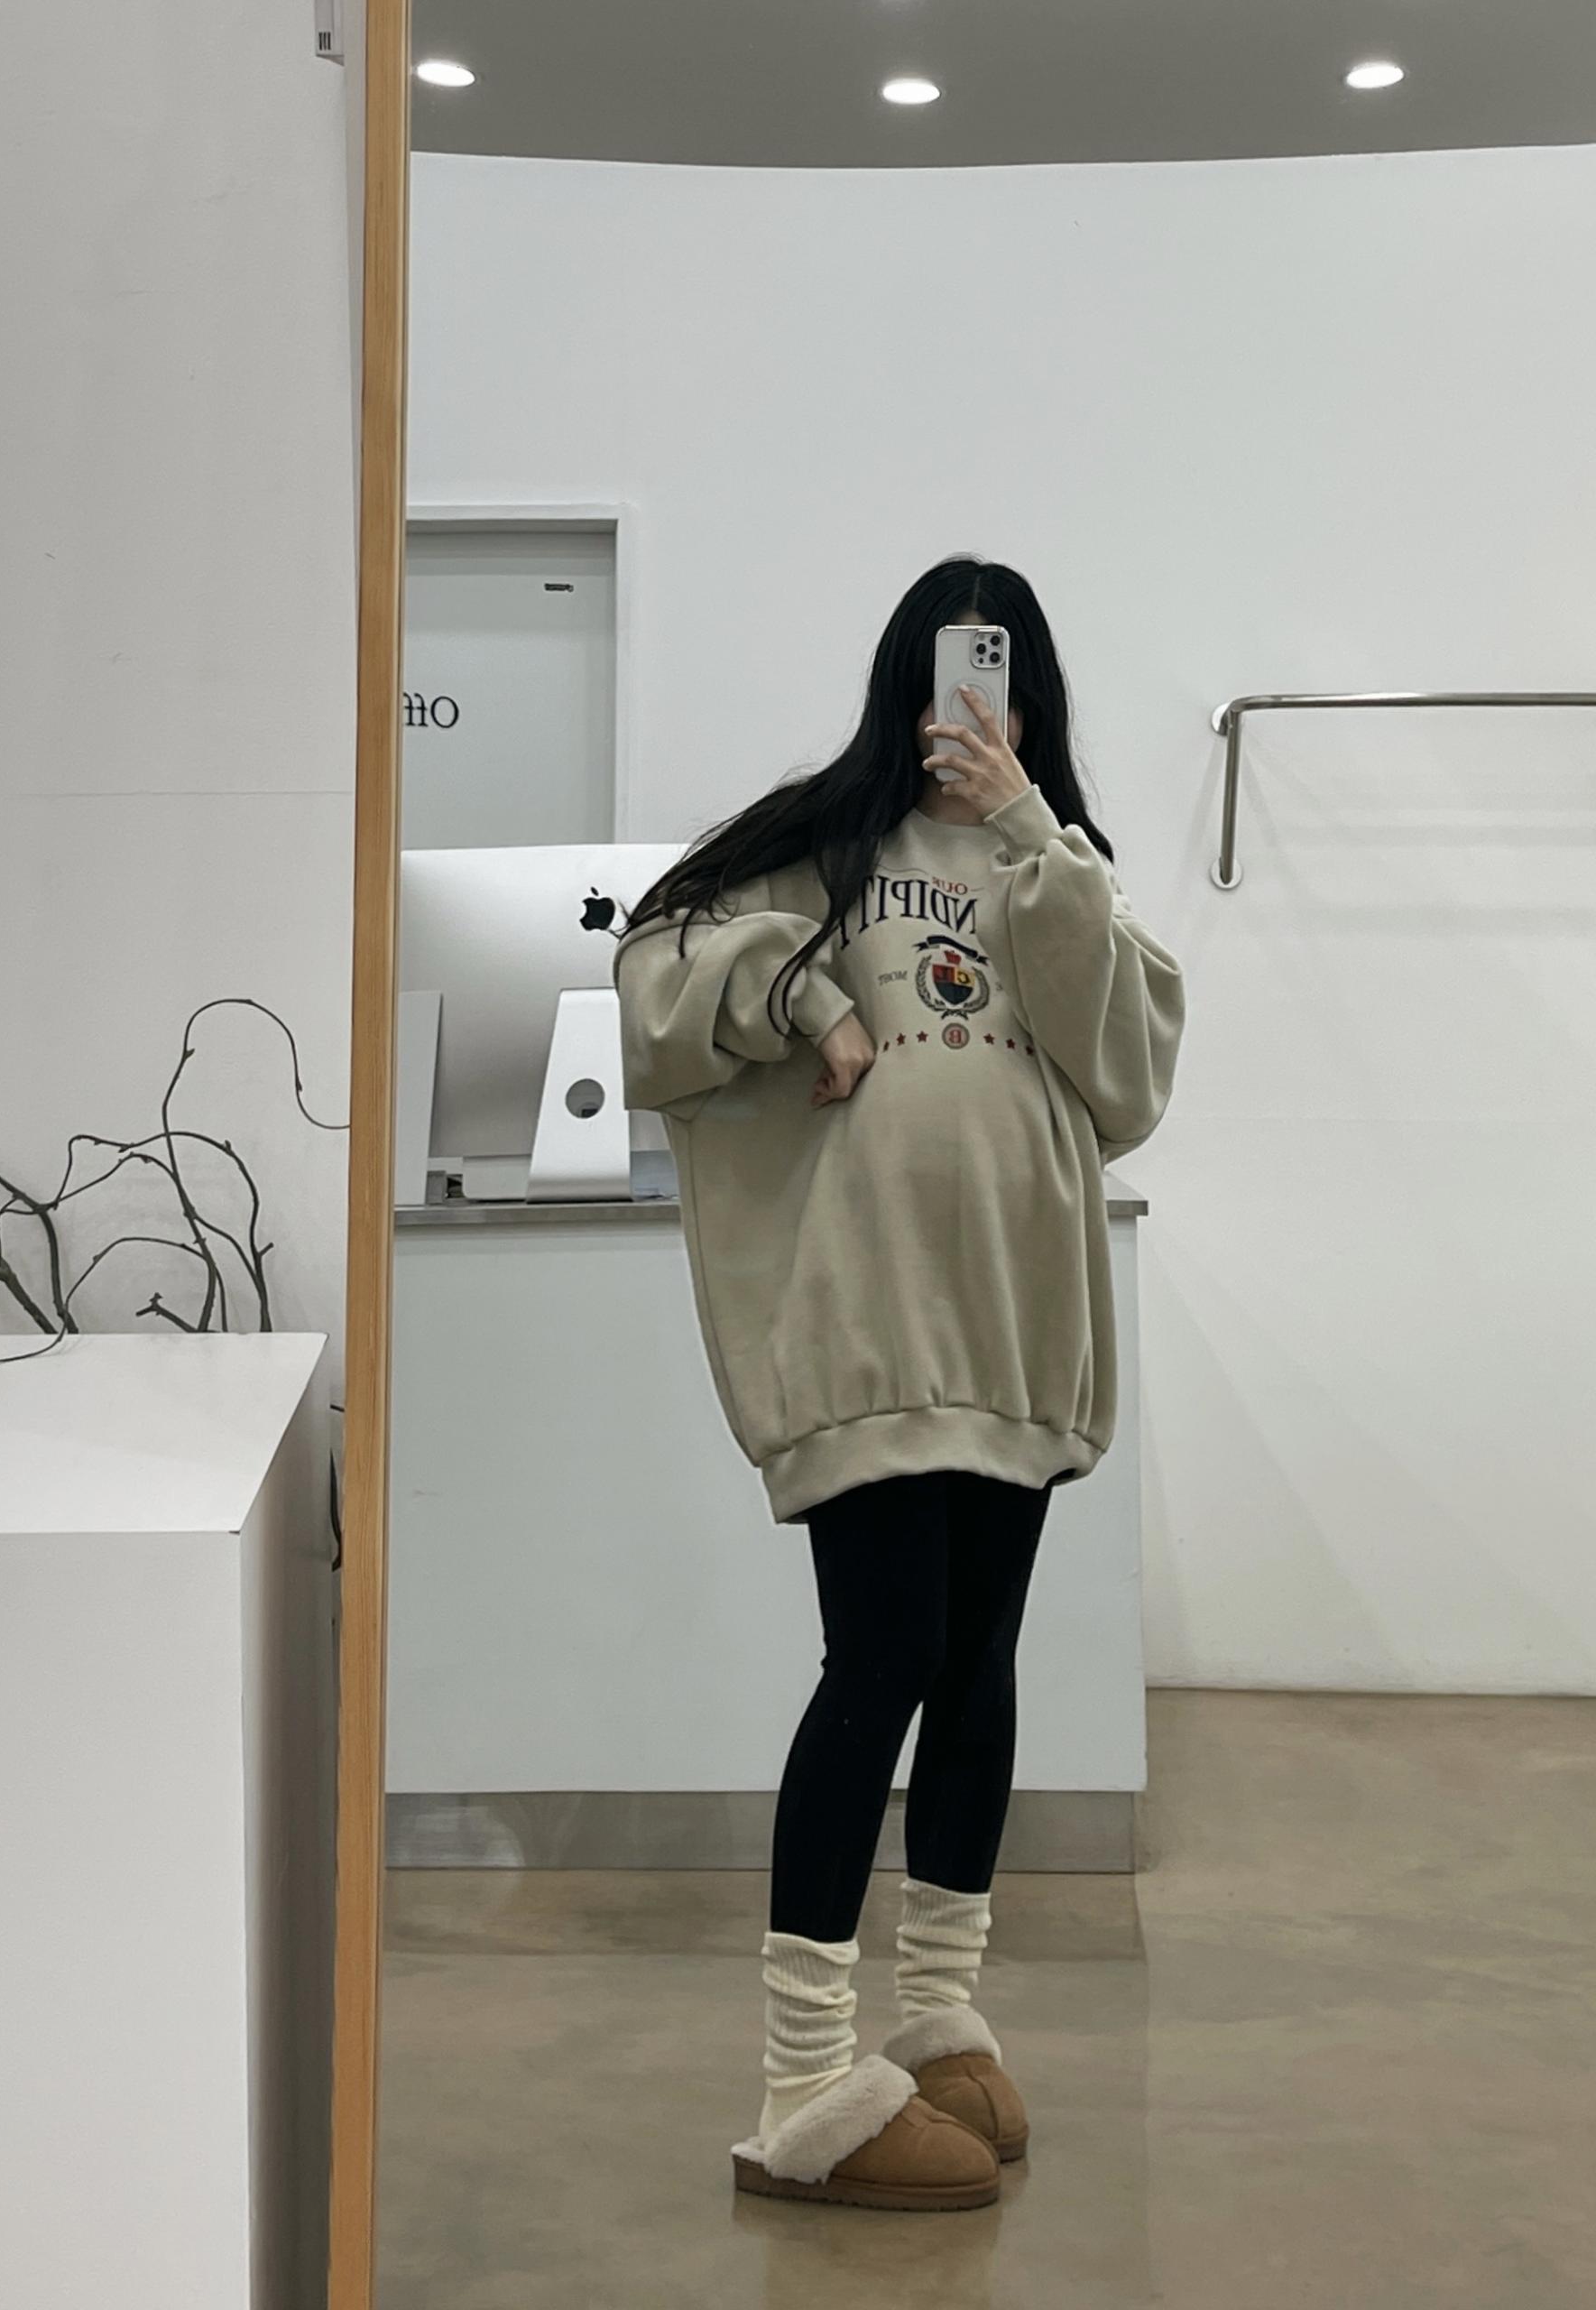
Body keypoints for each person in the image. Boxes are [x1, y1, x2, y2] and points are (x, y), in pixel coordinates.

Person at [612, 556, 1186, 2212]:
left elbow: (1128, 1071)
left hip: (1016, 1328)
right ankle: (803, 2081)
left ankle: (936, 2015)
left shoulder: (1056, 863)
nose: (974, 705)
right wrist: (805, 993)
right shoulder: (821, 844)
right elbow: (657, 979)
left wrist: (1032, 832)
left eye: (1000, 676)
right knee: (878, 1662)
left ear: (1030, 694)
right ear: (907, 681)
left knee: (979, 1664)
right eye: (952, 670)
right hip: (869, 1333)